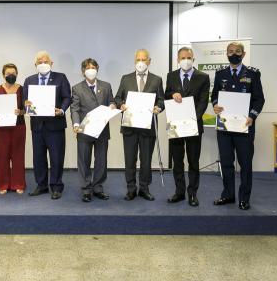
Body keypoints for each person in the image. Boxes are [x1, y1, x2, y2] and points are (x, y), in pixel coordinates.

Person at [211, 42, 265, 210]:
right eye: (230, 51)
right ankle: (228, 195)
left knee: (245, 164)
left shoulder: (253, 74)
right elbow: (214, 96)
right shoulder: (220, 73)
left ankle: (244, 198)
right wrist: (215, 105)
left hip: (244, 127)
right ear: (226, 53)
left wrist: (252, 116)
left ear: (243, 53)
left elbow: (259, 99)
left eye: (237, 51)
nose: (234, 54)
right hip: (225, 127)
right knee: (226, 163)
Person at [114, 49, 164, 201]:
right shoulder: (126, 78)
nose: (141, 62)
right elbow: (117, 98)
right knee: (130, 160)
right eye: (138, 59)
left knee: (146, 160)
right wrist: (121, 105)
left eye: (144, 59)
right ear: (134, 61)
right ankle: (131, 189)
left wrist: (158, 108)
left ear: (149, 61)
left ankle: (144, 188)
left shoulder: (157, 79)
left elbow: (161, 100)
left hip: (148, 127)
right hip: (129, 127)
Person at [164, 47, 210, 207]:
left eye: (188, 57)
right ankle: (179, 192)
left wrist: (191, 120)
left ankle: (192, 194)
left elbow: (203, 102)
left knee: (193, 161)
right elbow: (166, 95)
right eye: (182, 57)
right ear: (178, 59)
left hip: (193, 126)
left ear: (193, 59)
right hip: (175, 126)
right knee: (177, 161)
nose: (186, 60)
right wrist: (171, 95)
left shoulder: (203, 77)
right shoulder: (171, 76)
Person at [23, 51, 71, 200]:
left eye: (45, 61)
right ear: (35, 64)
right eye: (39, 62)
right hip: (37, 126)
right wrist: (26, 105)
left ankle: (56, 186)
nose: (42, 64)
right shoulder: (29, 80)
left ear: (51, 63)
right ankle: (41, 185)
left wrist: (62, 110)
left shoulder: (60, 77)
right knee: (38, 158)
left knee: (56, 157)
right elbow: (25, 101)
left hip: (55, 125)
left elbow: (67, 97)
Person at [70, 58, 116, 203]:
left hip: (102, 129)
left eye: (93, 67)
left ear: (97, 69)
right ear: (83, 71)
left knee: (101, 160)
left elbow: (112, 101)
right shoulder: (77, 88)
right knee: (84, 160)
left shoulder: (106, 86)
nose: (91, 70)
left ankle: (98, 188)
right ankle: (86, 189)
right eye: (88, 68)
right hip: (84, 130)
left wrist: (113, 105)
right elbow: (75, 108)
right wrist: (76, 124)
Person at [0, 63, 26, 194]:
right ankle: (3, 184)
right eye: (8, 74)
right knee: (2, 156)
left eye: (13, 73)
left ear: (17, 74)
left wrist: (21, 111)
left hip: (18, 126)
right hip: (1, 128)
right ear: (3, 75)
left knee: (18, 155)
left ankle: (18, 184)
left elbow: (27, 110)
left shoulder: (22, 89)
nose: (11, 76)